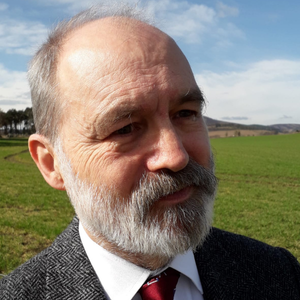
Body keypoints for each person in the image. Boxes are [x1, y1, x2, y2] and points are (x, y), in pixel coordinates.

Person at [1, 3, 299, 300]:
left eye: (185, 113)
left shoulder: (279, 274)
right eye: (125, 128)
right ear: (51, 163)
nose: (176, 156)